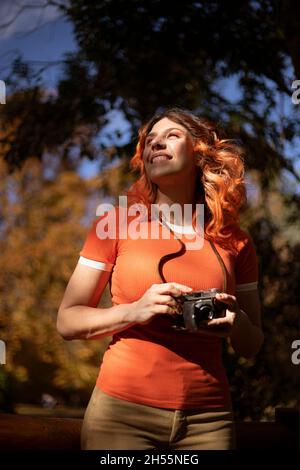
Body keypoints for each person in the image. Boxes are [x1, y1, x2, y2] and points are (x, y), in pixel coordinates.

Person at [57, 107, 264, 450]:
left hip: (209, 422)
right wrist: (135, 311)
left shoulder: (236, 240)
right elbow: (68, 320)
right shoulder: (116, 224)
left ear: (200, 152)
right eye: (150, 141)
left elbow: (252, 344)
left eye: (171, 136)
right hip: (122, 416)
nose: (156, 144)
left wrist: (235, 322)